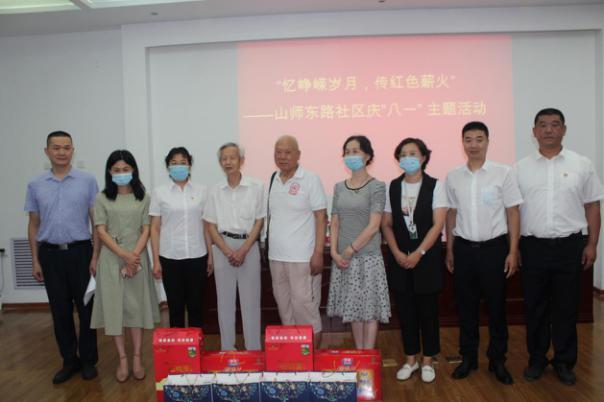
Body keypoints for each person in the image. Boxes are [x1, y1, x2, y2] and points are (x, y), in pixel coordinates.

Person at [516, 108, 604, 386]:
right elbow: (513, 213)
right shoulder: (520, 169)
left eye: (555, 125)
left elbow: (593, 206)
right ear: (534, 132)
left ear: (564, 129)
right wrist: (514, 248)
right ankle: (537, 359)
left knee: (566, 308)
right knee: (535, 308)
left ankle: (564, 362)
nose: (549, 130)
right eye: (543, 125)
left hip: (570, 246)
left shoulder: (581, 164)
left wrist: (592, 243)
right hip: (532, 247)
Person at [445, 121, 522, 385]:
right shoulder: (454, 176)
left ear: (488, 142)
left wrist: (513, 251)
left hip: (494, 249)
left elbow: (513, 212)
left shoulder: (503, 173)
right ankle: (468, 358)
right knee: (465, 308)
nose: (474, 144)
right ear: (462, 143)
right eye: (468, 139)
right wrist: (450, 249)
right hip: (464, 249)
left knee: (496, 308)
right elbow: (451, 214)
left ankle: (497, 360)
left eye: (479, 139)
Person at [25, 130, 99, 384]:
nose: (61, 152)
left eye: (66, 147)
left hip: (81, 253)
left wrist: (95, 256)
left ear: (73, 151)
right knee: (60, 312)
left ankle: (88, 361)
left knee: (87, 309)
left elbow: (96, 222)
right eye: (56, 148)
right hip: (50, 256)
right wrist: (35, 260)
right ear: (47, 152)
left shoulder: (87, 181)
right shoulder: (35, 184)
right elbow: (33, 224)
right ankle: (69, 360)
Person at [91, 150, 160, 382]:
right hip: (111, 259)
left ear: (133, 170)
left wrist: (133, 256)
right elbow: (101, 231)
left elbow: (146, 229)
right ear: (109, 172)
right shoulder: (102, 198)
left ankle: (137, 357)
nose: (121, 173)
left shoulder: (143, 197)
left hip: (137, 259)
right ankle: (122, 358)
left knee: (135, 308)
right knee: (114, 309)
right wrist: (123, 255)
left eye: (126, 169)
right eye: (117, 170)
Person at [382, 138, 447, 383]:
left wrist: (419, 253)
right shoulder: (393, 186)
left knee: (428, 312)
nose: (407, 158)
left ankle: (428, 360)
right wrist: (397, 252)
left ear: (423, 157)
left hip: (426, 259)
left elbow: (437, 224)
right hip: (400, 259)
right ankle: (410, 360)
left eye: (412, 153)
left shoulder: (435, 185)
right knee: (406, 312)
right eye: (403, 154)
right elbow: (386, 224)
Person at [328, 135, 390, 350]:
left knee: (369, 312)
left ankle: (368, 357)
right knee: (354, 311)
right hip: (343, 260)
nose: (350, 155)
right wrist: (334, 252)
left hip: (368, 257)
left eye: (355, 151)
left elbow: (374, 226)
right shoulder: (339, 187)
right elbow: (335, 222)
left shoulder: (377, 186)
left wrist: (350, 250)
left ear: (367, 155)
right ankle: (359, 356)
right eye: (347, 152)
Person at [203, 143, 265, 351]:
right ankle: (227, 350)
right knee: (225, 303)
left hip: (249, 246)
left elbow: (259, 221)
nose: (228, 162)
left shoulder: (256, 187)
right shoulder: (214, 190)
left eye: (232, 157)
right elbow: (210, 225)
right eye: (224, 158)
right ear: (220, 162)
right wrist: (228, 251)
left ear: (241, 160)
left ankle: (253, 350)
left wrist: (244, 249)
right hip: (223, 248)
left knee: (251, 302)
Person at [267, 135, 327, 347]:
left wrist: (318, 252)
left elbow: (321, 217)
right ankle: (294, 356)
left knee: (305, 309)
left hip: (303, 258)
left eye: (288, 152)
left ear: (298, 154)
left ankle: (312, 359)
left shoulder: (310, 179)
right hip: (276, 257)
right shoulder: (273, 179)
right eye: (278, 152)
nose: (282, 156)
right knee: (285, 309)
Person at [150, 147, 213, 328]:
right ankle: (178, 346)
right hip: (170, 257)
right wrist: (156, 261)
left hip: (197, 255)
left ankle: (197, 345)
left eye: (183, 163)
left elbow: (206, 226)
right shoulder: (159, 192)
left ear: (190, 166)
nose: (178, 166)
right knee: (175, 308)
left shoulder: (202, 191)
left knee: (196, 307)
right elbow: (155, 228)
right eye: (174, 163)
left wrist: (210, 256)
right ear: (168, 167)